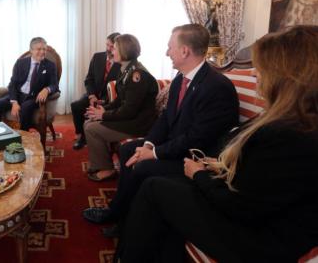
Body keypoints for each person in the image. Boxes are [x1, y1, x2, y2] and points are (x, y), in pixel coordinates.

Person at [117, 25, 318, 263]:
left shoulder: (291, 133)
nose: (254, 75)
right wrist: (214, 164)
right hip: (244, 205)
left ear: (288, 76)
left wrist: (199, 174)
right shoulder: (289, 118)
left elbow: (241, 206)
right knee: (157, 186)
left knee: (154, 188)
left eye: (261, 68)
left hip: (258, 238)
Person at [82, 24, 239, 238]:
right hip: (174, 143)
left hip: (193, 157)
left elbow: (197, 138)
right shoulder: (181, 78)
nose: (167, 53)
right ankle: (118, 212)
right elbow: (166, 118)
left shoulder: (215, 86)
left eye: (170, 47)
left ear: (184, 51)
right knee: (130, 151)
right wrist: (148, 144)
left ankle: (127, 223)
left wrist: (155, 153)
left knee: (142, 167)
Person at [84, 34, 158, 181]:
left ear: (124, 50)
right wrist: (104, 108)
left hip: (138, 124)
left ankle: (106, 169)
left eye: (115, 48)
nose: (112, 52)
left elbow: (129, 110)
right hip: (131, 118)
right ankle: (101, 162)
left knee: (91, 128)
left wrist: (103, 115)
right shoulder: (126, 68)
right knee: (88, 122)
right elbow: (120, 99)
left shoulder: (138, 75)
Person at [0, 37, 58, 131]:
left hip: (34, 97)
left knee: (25, 109)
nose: (42, 52)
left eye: (44, 49)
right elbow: (12, 84)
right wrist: (14, 102)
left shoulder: (50, 65)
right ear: (31, 51)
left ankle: (23, 138)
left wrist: (47, 89)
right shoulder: (21, 63)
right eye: (39, 49)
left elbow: (54, 85)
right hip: (18, 94)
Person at [70, 32, 121, 150]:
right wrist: (91, 95)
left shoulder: (121, 63)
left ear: (118, 48)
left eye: (111, 46)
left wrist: (104, 101)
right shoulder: (97, 57)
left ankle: (100, 137)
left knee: (95, 113)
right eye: (107, 45)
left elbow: (119, 88)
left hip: (109, 99)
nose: (108, 49)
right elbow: (89, 79)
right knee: (76, 106)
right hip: (93, 94)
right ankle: (81, 136)